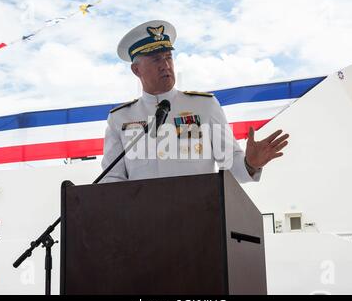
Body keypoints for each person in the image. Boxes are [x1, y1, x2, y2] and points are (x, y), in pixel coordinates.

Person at [100, 20, 289, 183]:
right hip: (143, 221)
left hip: (199, 215)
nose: (165, 65)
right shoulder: (120, 118)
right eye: (156, 59)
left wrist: (250, 163)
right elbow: (112, 178)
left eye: (168, 57)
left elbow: (230, 163)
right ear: (136, 70)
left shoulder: (204, 105)